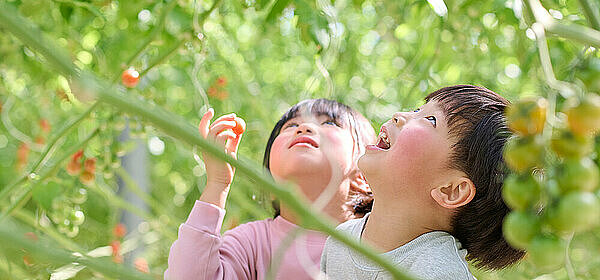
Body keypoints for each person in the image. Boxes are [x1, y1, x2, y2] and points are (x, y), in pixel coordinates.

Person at [320, 85, 526, 279]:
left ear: (451, 190)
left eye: (430, 119)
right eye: (416, 109)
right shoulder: (340, 239)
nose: (399, 116)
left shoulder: (440, 272)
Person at [165, 98, 375, 280]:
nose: (304, 128)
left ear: (365, 177)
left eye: (329, 122)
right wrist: (217, 184)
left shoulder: (379, 238)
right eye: (291, 126)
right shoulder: (252, 242)